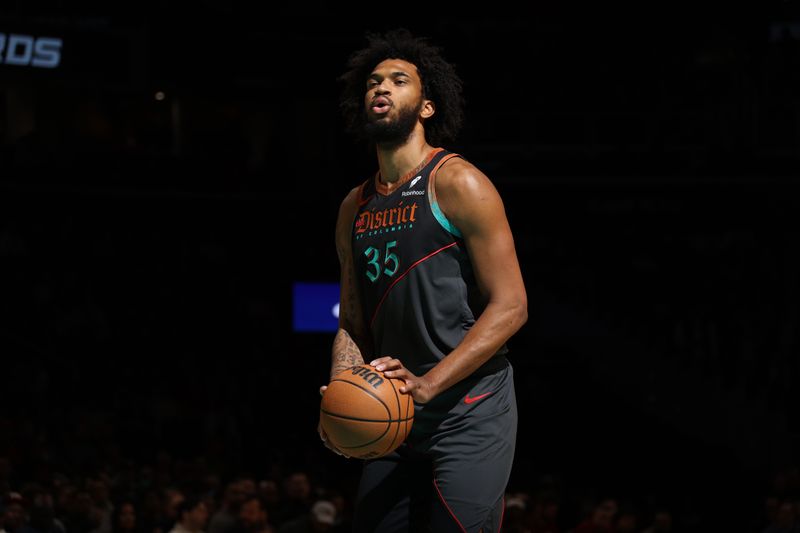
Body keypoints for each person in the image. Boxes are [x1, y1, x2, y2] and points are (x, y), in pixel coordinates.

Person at [317, 28, 528, 532]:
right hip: (394, 407)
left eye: (397, 80)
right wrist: (343, 392)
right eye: (372, 82)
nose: (380, 88)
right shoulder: (354, 206)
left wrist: (430, 383)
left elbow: (512, 305)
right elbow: (352, 319)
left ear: (427, 106)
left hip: (469, 408)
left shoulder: (458, 182)